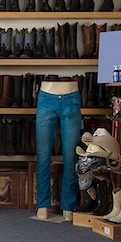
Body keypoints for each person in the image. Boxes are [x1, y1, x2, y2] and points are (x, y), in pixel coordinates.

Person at [35, 80, 81, 222]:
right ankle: (42, 203)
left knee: (71, 157)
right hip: (46, 97)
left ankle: (68, 204)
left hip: (71, 98)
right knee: (43, 156)